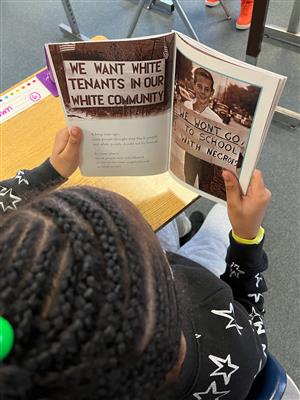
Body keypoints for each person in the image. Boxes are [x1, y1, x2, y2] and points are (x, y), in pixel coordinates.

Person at [0, 126, 271, 399]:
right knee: (219, 214)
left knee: (165, 214)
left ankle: (180, 228)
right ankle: (182, 229)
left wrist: (51, 171)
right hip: (211, 294)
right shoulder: (233, 357)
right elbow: (250, 311)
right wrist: (246, 240)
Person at [183, 67, 224, 195]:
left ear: (212, 93)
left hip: (206, 161)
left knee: (204, 189)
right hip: (190, 154)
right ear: (194, 86)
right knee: (187, 183)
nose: (202, 92)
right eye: (199, 86)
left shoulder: (217, 120)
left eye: (207, 89)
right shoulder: (186, 106)